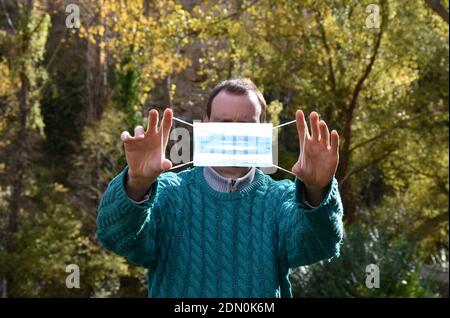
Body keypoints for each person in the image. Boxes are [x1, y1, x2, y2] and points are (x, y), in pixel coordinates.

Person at [96, 78, 344, 298]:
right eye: (224, 121)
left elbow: (318, 245)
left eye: (246, 124)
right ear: (205, 123)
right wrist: (138, 182)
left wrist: (317, 190)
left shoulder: (281, 199)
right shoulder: (168, 194)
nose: (234, 131)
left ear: (264, 130)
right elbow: (116, 238)